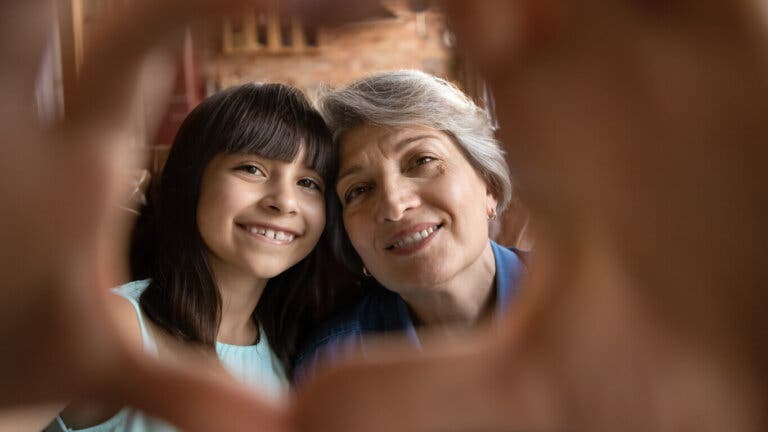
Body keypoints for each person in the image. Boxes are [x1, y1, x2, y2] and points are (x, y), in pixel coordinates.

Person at [44, 82, 333, 431]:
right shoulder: (113, 330)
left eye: (308, 183)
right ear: (192, 180)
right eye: (252, 169)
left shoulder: (291, 352)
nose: (284, 202)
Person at [293, 69, 528, 381]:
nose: (394, 204)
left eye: (421, 161)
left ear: (489, 186)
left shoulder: (597, 303)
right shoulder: (333, 367)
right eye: (359, 190)